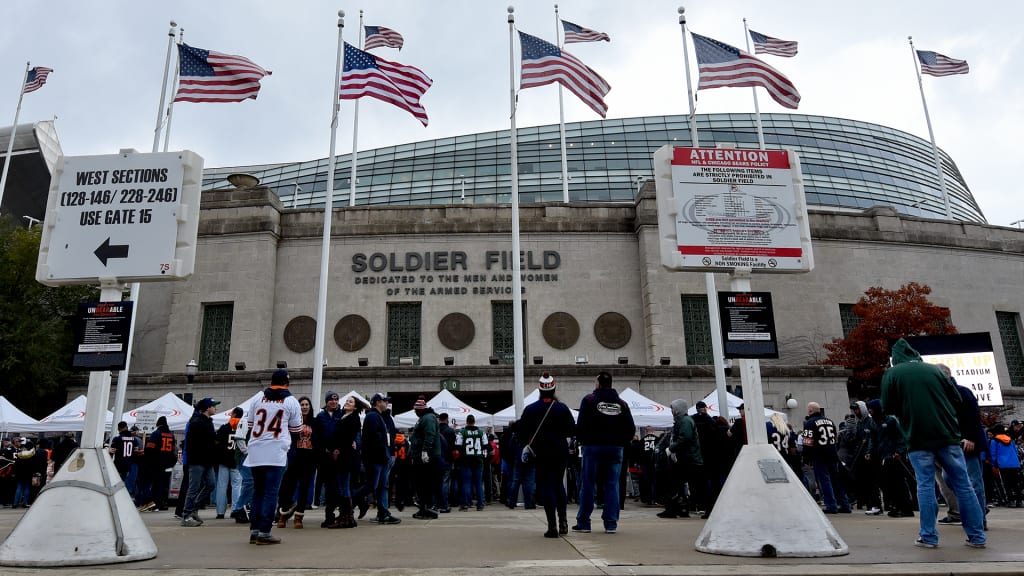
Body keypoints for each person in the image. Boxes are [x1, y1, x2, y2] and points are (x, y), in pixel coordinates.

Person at [880, 338, 986, 549]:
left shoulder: (892, 374)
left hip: (917, 438)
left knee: (925, 486)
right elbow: (956, 398)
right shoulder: (935, 371)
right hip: (948, 436)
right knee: (964, 486)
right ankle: (977, 536)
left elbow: (887, 407)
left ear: (897, 359)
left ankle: (928, 536)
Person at [245, 369, 303, 545]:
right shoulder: (291, 401)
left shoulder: (256, 399)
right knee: (271, 493)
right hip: (276, 451)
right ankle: (264, 532)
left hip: (256, 450)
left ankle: (254, 530)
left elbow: (250, 425)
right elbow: (297, 431)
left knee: (258, 492)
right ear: (287, 383)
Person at [573, 371, 635, 534]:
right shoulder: (622, 403)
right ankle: (611, 523)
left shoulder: (589, 400)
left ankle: (584, 522)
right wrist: (620, 441)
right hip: (615, 448)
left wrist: (584, 440)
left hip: (593, 447)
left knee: (588, 484)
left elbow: (580, 425)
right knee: (612, 485)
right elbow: (630, 428)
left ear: (598, 383)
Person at [517, 371, 576, 537]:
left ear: (540, 390)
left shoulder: (530, 409)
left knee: (547, 486)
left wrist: (527, 445)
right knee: (558, 485)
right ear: (554, 389)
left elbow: (522, 433)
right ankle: (563, 521)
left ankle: (552, 526)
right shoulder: (562, 408)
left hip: (541, 452)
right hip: (559, 451)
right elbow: (572, 429)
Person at [863, 399, 914, 518]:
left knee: (899, 483)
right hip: (883, 457)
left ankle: (906, 508)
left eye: (871, 409)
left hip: (894, 456)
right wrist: (869, 452)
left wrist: (899, 451)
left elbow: (900, 436)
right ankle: (896, 506)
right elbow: (873, 439)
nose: (870, 412)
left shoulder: (890, 420)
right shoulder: (873, 422)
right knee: (889, 484)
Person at [355, 393, 400, 524]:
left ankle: (383, 512)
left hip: (382, 456)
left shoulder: (382, 417)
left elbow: (388, 436)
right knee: (372, 485)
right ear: (377, 402)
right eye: (385, 401)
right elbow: (376, 438)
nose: (387, 403)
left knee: (381, 485)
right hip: (377, 458)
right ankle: (353, 498)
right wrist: (385, 454)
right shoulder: (373, 416)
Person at [801, 401, 851, 514]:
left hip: (819, 455)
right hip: (832, 454)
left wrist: (806, 458)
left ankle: (831, 506)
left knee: (825, 481)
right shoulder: (830, 421)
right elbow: (836, 439)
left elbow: (807, 442)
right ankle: (845, 504)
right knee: (836, 480)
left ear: (810, 411)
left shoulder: (809, 423)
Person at [659, 399, 705, 519]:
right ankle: (680, 508)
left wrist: (671, 449)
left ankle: (674, 509)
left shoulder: (684, 421)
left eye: (673, 409)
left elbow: (685, 438)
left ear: (678, 409)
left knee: (676, 484)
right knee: (682, 485)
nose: (672, 411)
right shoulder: (684, 421)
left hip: (689, 459)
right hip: (688, 459)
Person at [276, 396, 316, 529]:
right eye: (302, 405)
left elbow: (318, 440)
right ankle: (283, 514)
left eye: (306, 404)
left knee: (304, 489)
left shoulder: (314, 422)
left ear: (310, 407)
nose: (304, 407)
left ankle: (299, 517)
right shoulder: (292, 422)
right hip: (294, 457)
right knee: (287, 488)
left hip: (309, 458)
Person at [326, 395, 365, 528]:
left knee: (344, 486)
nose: (347, 403)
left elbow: (347, 437)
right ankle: (347, 517)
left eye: (351, 402)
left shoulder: (353, 418)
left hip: (346, 456)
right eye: (347, 401)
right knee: (343, 485)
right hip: (344, 455)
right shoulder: (344, 416)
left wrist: (338, 449)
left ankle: (346, 517)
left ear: (355, 406)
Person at [181, 397, 220, 526]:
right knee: (193, 488)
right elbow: (191, 443)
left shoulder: (208, 422)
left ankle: (193, 509)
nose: (216, 408)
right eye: (213, 406)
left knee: (211, 484)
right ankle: (186, 516)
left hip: (207, 460)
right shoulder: (196, 422)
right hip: (197, 460)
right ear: (207, 408)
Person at [312, 390, 343, 528]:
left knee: (338, 487)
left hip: (339, 457)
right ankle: (329, 515)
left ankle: (342, 513)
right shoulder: (320, 417)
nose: (334, 402)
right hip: (325, 458)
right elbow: (316, 437)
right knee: (329, 487)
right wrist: (322, 450)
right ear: (327, 401)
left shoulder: (341, 415)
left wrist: (339, 449)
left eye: (336, 400)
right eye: (331, 400)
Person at [410, 396, 441, 519]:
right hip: (424, 455)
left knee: (424, 483)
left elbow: (430, 435)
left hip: (427, 457)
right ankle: (424, 507)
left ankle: (426, 508)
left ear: (421, 409)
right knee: (422, 483)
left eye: (416, 410)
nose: (415, 412)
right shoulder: (426, 417)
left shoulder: (428, 418)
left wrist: (425, 451)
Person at [141, 416, 177, 512]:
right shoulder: (171, 435)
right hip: (168, 463)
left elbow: (149, 448)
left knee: (152, 483)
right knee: (164, 484)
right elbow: (174, 450)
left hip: (156, 462)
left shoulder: (156, 434)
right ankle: (162, 503)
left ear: (158, 424)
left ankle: (152, 503)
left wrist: (147, 460)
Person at [214, 407, 244, 519]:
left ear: (234, 414)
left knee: (222, 486)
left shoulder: (224, 427)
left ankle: (220, 512)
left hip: (223, 460)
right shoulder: (241, 427)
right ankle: (235, 510)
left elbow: (216, 443)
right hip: (236, 460)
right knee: (237, 486)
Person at [456, 414, 487, 511]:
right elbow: (486, 445)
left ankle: (465, 504)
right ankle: (480, 504)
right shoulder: (481, 432)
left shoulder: (462, 432)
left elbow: (458, 446)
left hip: (466, 460)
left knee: (466, 483)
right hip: (478, 460)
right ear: (474, 421)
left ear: (467, 421)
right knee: (478, 483)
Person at [437, 412, 457, 513]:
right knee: (445, 482)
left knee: (435, 482)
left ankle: (434, 504)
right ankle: (444, 505)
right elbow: (454, 447)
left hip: (435, 459)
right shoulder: (450, 431)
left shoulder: (435, 429)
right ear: (447, 419)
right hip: (447, 459)